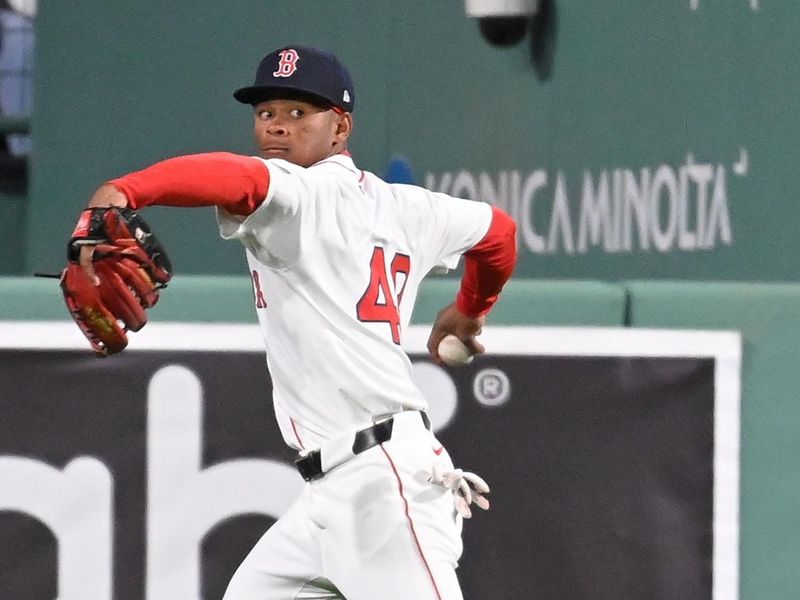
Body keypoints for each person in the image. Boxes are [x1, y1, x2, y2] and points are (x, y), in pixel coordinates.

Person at [78, 46, 517, 600]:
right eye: (266, 114)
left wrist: (125, 191)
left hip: (384, 487)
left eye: (298, 112)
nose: (278, 127)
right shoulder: (410, 207)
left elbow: (237, 179)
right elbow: (499, 234)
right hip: (329, 494)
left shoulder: (303, 193)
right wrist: (471, 310)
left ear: (341, 127)